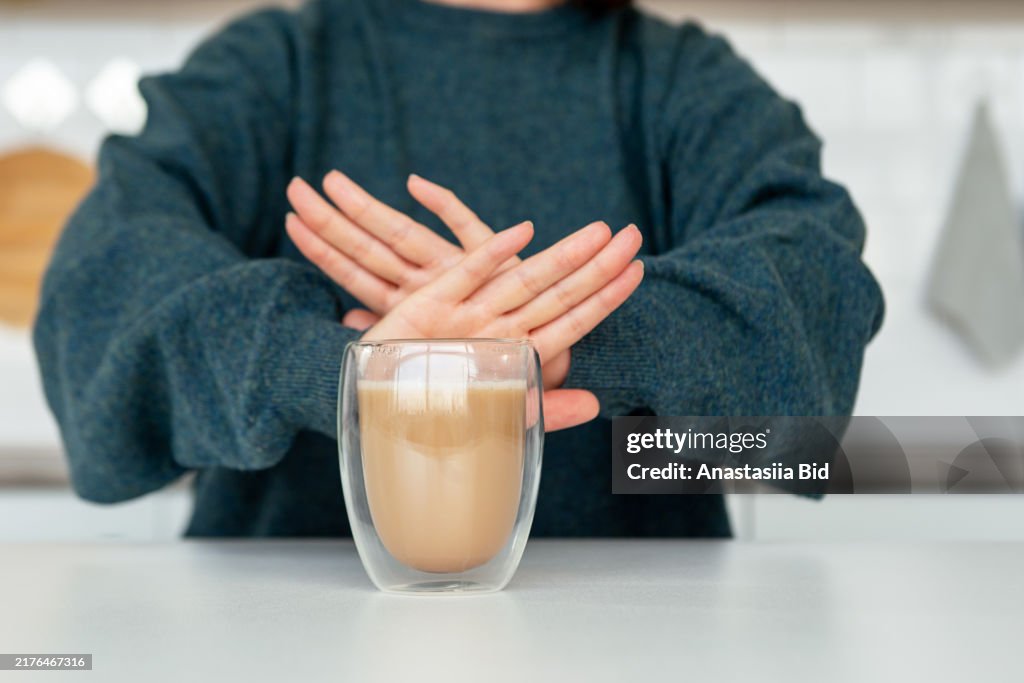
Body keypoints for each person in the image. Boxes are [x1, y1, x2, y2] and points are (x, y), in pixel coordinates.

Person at [33, 0, 884, 538]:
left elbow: (810, 356)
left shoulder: (688, 82)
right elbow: (100, 292)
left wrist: (544, 345)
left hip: (647, 646)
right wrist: (338, 370)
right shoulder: (271, 66)